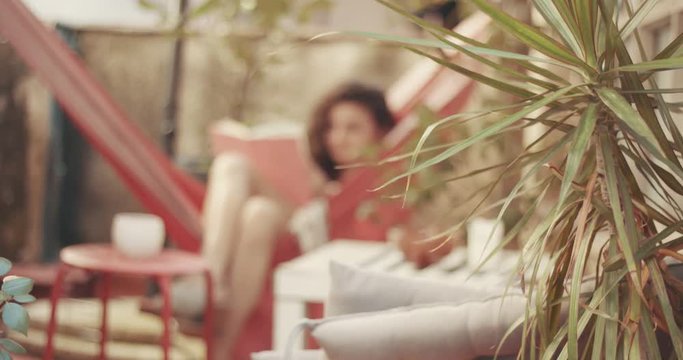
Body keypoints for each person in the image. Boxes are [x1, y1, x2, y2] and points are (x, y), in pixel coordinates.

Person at [159, 82, 449, 358]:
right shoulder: (326, 169)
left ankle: (214, 318)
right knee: (239, 178)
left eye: (353, 128)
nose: (338, 137)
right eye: (332, 127)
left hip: (317, 245)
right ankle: (211, 276)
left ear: (381, 133)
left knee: (256, 206)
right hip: (294, 227)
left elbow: (408, 234)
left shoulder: (394, 184)